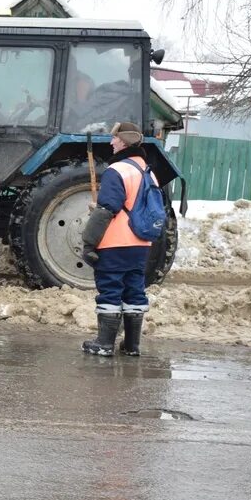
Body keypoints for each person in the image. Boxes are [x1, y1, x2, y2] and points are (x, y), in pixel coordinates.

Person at [80, 121, 156, 357]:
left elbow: (107, 209)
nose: (111, 142)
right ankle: (132, 346)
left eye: (115, 139)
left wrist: (89, 242)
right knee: (134, 290)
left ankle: (104, 344)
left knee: (111, 289)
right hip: (141, 243)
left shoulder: (118, 170)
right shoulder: (148, 172)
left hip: (115, 242)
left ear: (124, 141)